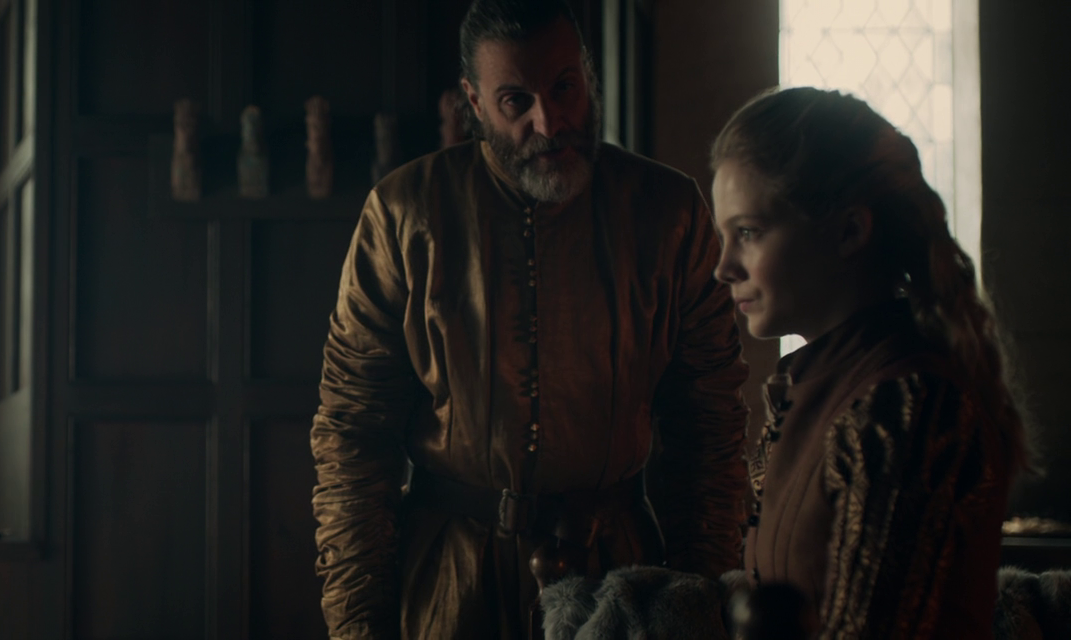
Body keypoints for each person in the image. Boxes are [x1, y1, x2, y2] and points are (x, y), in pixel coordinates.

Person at [310, 1, 751, 637]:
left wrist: (695, 605)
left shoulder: (667, 211)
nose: (550, 122)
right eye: (516, 101)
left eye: (565, 88)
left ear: (587, 75)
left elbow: (709, 428)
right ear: (474, 101)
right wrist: (358, 627)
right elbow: (353, 434)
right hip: (447, 587)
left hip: (618, 584)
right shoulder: (405, 214)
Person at [709, 86, 1028, 638]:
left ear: (849, 232)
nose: (724, 267)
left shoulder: (907, 405)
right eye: (725, 236)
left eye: (748, 233)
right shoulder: (814, 389)